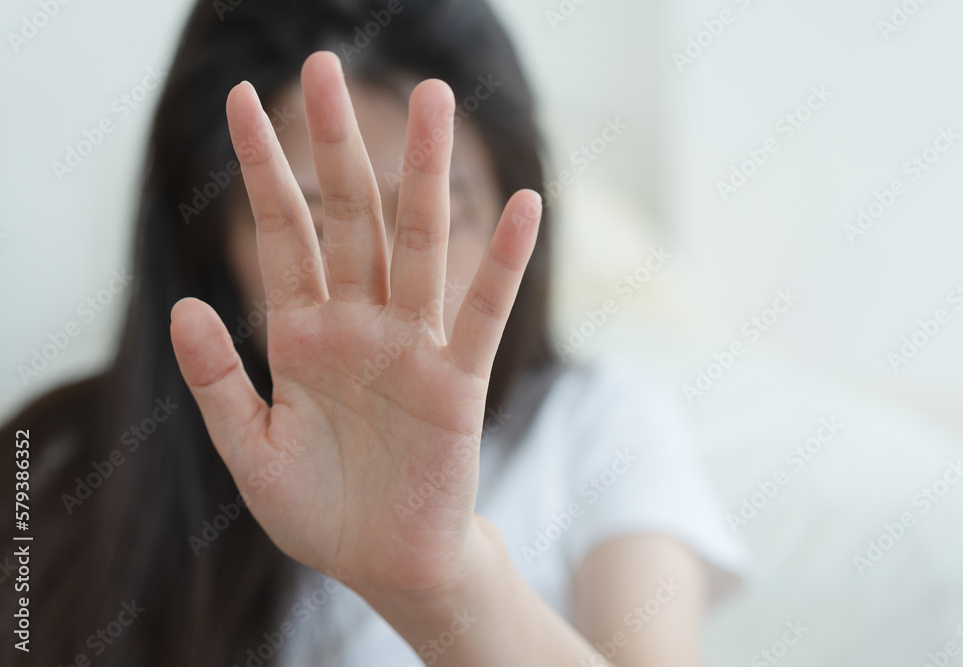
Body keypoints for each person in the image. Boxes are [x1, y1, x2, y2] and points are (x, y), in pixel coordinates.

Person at [1, 1, 745, 665]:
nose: (386, 281)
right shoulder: (56, 460)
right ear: (210, 249)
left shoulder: (599, 427)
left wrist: (444, 586)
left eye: (439, 218)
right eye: (323, 225)